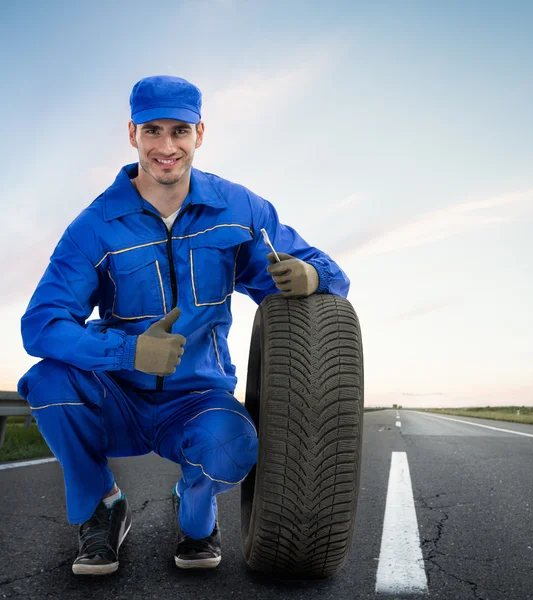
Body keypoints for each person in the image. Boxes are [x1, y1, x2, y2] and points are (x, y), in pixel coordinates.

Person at [16, 75, 350, 576]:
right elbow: (40, 326)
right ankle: (103, 507)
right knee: (47, 380)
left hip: (197, 398)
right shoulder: (95, 225)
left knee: (234, 444)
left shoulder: (239, 209)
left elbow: (327, 272)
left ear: (200, 133)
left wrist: (312, 275)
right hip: (118, 397)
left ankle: (195, 514)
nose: (166, 147)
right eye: (153, 131)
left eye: (179, 131)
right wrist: (126, 354)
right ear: (132, 133)